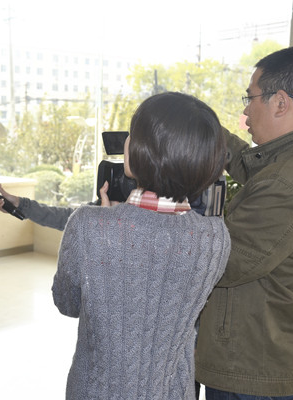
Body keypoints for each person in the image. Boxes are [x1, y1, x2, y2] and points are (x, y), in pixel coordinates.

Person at [52, 92, 231, 399]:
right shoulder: (216, 236)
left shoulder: (87, 226)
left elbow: (67, 304)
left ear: (140, 150)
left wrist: (107, 228)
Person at [195, 47, 293, 399]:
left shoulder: (286, 183)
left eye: (250, 98)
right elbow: (258, 170)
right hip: (286, 348)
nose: (246, 110)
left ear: (280, 103)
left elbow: (222, 263)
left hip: (252, 367)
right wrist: (211, 131)